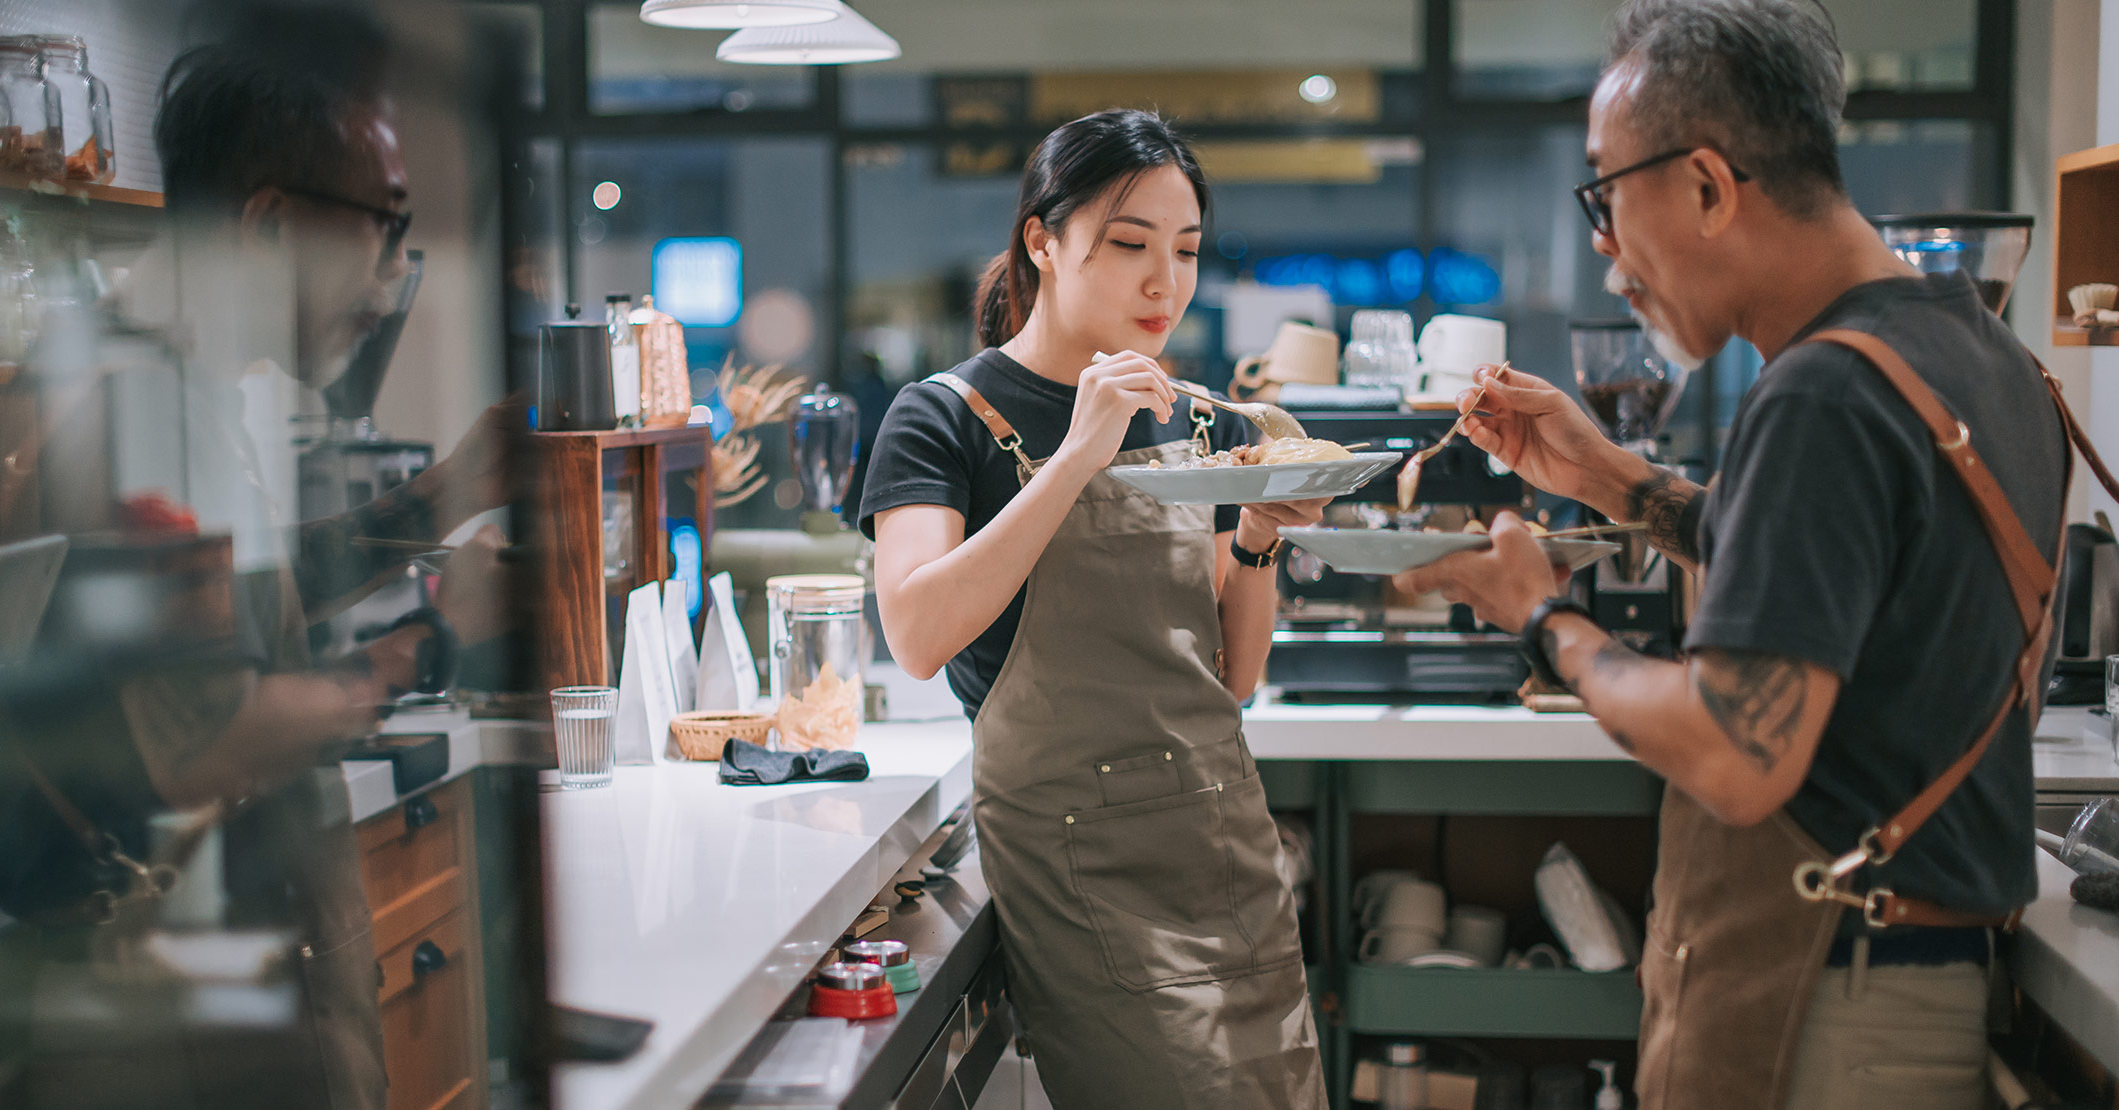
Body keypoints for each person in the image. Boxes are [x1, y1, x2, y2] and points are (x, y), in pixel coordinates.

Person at [1392, 2, 2103, 1108]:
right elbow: (1831, 558)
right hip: (1911, 982)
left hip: (1821, 1011)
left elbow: (1734, 753)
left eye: (1605, 195)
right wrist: (1606, 476)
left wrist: (1541, 619)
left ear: (1709, 187)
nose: (1602, 248)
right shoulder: (1980, 353)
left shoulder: (1820, 391)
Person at [0, 7, 512, 1107]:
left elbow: (240, 608)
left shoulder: (182, 394)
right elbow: (205, 739)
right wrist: (436, 641)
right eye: (384, 228)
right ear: (272, 224)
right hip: (184, 1039)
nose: (395, 277)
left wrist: (446, 488)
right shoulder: (137, 405)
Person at [862, 109, 1328, 1109]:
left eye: (1187, 251)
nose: (1165, 284)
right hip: (1078, 866)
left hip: (1219, 845)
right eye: (1128, 246)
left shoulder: (1207, 423)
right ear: (1042, 238)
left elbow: (1233, 679)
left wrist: (1256, 537)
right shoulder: (943, 417)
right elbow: (914, 633)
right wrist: (1077, 454)